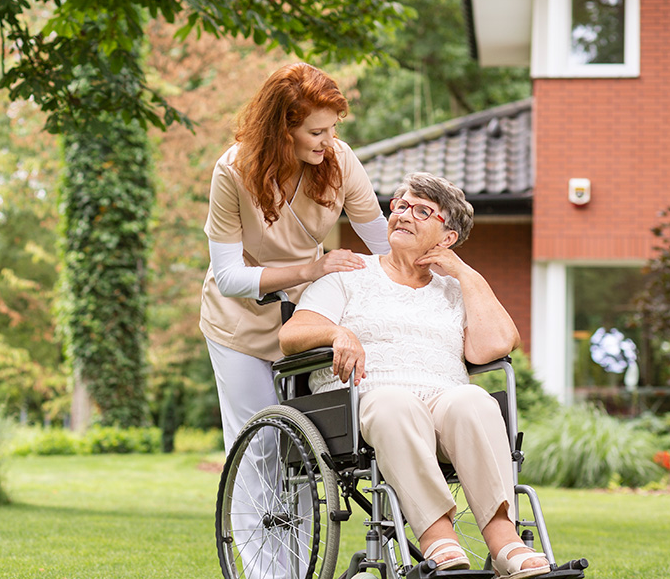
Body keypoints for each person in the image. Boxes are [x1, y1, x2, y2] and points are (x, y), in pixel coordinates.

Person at [278, 172, 549, 579]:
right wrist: (338, 332)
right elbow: (291, 335)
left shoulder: (456, 289)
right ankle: (438, 537)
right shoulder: (349, 275)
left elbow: (493, 347)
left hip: (443, 398)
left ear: (447, 238)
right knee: (395, 403)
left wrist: (466, 275)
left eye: (422, 211)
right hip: (365, 397)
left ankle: (504, 541)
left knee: (474, 400)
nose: (404, 215)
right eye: (400, 206)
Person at [201, 61, 390, 454]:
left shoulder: (340, 160)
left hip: (306, 318)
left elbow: (381, 241)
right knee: (260, 445)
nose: (329, 140)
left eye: (333, 128)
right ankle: (251, 519)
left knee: (308, 445)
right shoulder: (232, 172)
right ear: (282, 131)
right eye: (316, 132)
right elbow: (229, 276)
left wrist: (431, 272)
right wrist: (311, 268)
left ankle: (301, 521)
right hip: (239, 318)